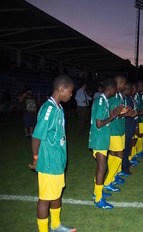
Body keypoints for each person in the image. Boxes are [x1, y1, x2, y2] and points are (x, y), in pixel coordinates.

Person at [28, 75, 76, 232]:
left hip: (58, 161)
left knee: (56, 194)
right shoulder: (48, 109)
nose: (71, 94)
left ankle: (55, 225)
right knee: (45, 199)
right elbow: (36, 136)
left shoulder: (59, 107)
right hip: (48, 162)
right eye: (70, 91)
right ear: (61, 89)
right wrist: (36, 159)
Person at [88, 78, 127, 209]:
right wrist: (114, 115)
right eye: (115, 89)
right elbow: (99, 123)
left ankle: (97, 193)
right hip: (99, 138)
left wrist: (115, 114)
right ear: (111, 89)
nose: (116, 91)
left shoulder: (104, 100)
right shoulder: (100, 101)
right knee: (102, 167)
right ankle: (98, 199)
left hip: (103, 137)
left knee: (101, 167)